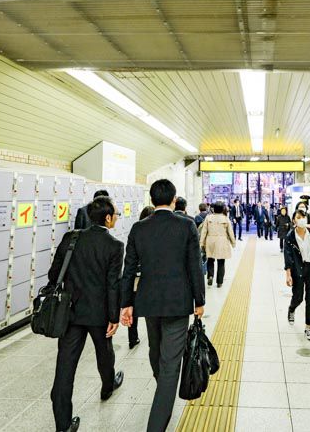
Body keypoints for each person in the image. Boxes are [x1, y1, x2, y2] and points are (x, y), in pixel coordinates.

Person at [120, 179, 205, 432]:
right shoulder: (186, 226)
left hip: (149, 301)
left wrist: (126, 303)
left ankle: (163, 390)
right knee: (170, 363)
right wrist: (199, 300)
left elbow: (129, 270)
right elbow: (194, 266)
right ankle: (157, 422)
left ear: (151, 199)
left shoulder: (138, 228)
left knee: (156, 351)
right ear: (174, 199)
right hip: (178, 303)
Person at [49, 196, 125, 432]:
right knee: (104, 352)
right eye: (116, 215)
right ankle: (107, 386)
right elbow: (113, 285)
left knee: (65, 366)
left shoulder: (70, 239)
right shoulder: (114, 246)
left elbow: (54, 275)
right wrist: (114, 317)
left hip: (70, 312)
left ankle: (63, 425)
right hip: (99, 314)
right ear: (108, 218)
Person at [284, 209, 310, 341]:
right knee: (298, 297)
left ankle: (308, 327)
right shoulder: (290, 237)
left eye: (304, 217)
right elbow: (288, 257)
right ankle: (291, 309)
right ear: (294, 220)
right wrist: (288, 274)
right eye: (299, 217)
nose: (302, 219)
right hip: (298, 269)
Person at [127, 205, 155, 350]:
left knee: (133, 309)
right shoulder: (156, 233)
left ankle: (132, 338)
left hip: (135, 279)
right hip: (150, 279)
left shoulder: (136, 229)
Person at [200, 201, 236, 288]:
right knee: (221, 262)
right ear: (223, 209)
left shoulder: (208, 218)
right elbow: (230, 232)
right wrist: (233, 243)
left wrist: (201, 242)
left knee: (210, 260)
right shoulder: (225, 219)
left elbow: (204, 231)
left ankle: (210, 276)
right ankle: (219, 282)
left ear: (213, 209)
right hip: (222, 241)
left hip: (210, 241)